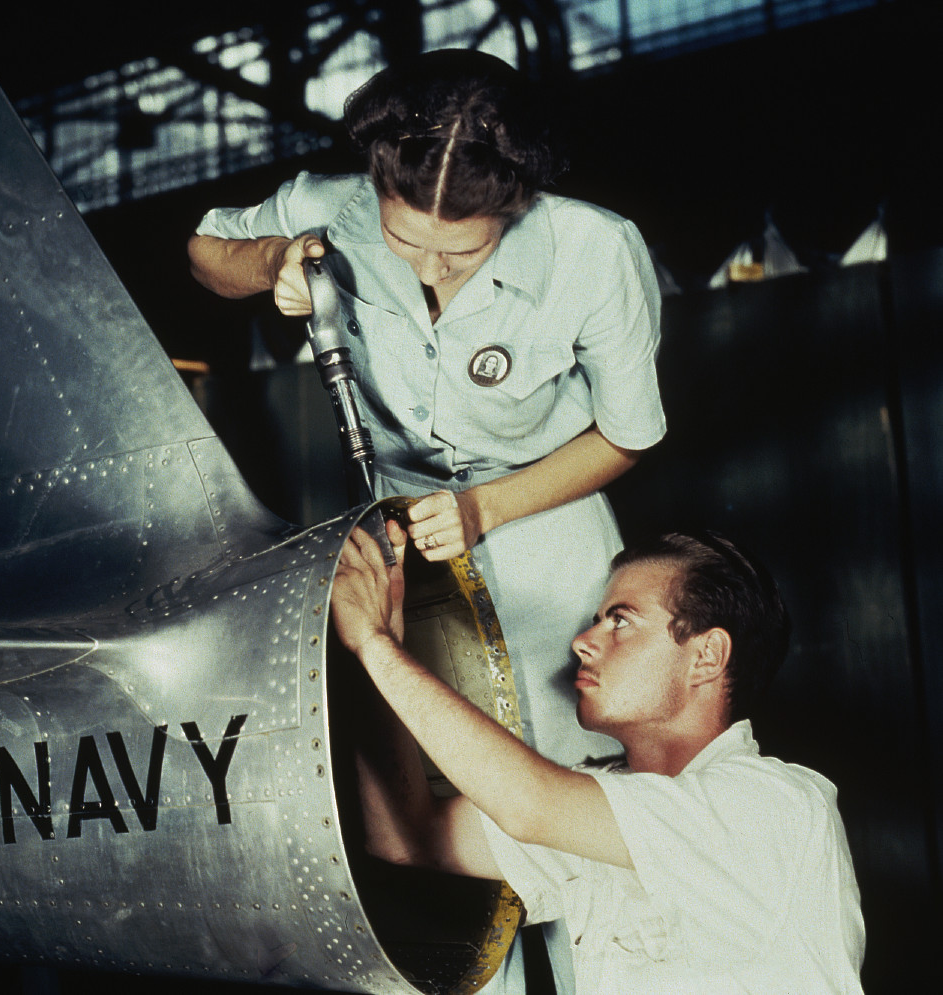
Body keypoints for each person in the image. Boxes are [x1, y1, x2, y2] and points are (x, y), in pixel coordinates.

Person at [189, 48, 666, 990]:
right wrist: (275, 261)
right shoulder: (337, 207)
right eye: (406, 245)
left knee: (568, 777)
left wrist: (486, 507)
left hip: (538, 507)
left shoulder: (596, 249)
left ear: (518, 202)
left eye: (464, 249)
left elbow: (627, 433)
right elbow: (205, 252)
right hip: (392, 515)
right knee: (413, 788)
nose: (430, 268)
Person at [330, 522, 866, 993]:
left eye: (621, 621)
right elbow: (404, 838)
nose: (583, 642)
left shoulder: (777, 806)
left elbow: (532, 804)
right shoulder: (606, 807)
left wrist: (376, 645)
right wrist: (384, 635)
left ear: (707, 656)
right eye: (596, 620)